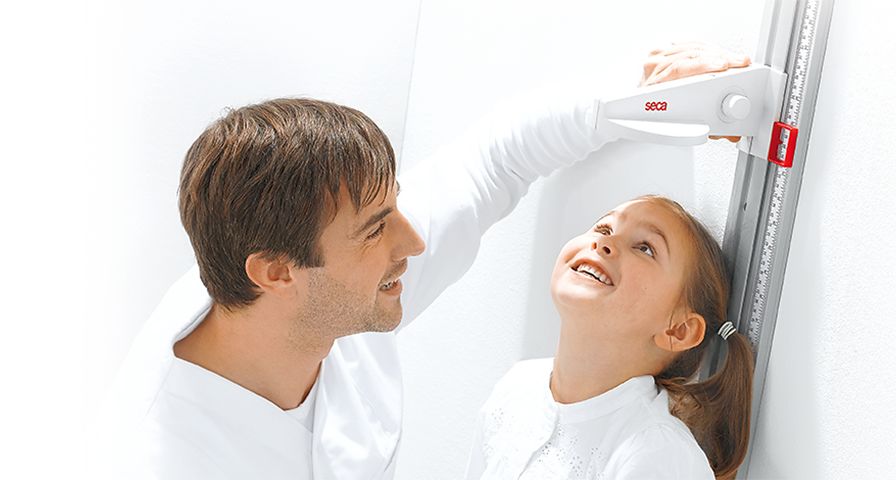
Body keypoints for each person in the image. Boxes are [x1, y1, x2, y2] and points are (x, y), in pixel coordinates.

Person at [89, 44, 750, 479]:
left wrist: (648, 95)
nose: (411, 240)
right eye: (376, 229)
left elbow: (497, 160)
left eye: (396, 206)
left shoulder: (334, 294)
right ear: (278, 272)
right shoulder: (161, 455)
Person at [464, 195, 754, 479]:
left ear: (678, 330)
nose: (604, 243)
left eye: (645, 248)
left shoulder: (658, 455)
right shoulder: (517, 387)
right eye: (604, 228)